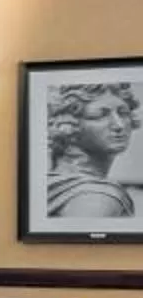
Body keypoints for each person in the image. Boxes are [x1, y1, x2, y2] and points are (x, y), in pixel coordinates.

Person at [47, 81, 140, 220]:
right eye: (101, 115)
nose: (119, 125)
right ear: (69, 124)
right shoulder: (97, 197)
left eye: (123, 113)